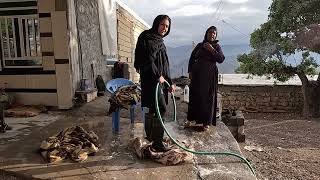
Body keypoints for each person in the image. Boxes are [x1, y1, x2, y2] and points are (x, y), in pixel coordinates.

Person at [134, 15, 175, 152]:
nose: (165, 28)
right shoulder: (147, 37)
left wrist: (170, 82)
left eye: (167, 26)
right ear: (156, 23)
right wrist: (158, 76)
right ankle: (157, 143)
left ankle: (151, 137)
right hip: (151, 80)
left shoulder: (159, 41)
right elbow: (147, 60)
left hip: (160, 81)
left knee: (153, 108)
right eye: (162, 25)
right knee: (160, 108)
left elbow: (164, 64)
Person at [186, 26, 225, 131]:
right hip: (197, 75)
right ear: (206, 33)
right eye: (210, 32)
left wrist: (212, 50)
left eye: (214, 33)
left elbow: (221, 59)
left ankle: (206, 122)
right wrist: (190, 71)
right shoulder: (199, 45)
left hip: (209, 76)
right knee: (195, 96)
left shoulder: (216, 46)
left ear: (216, 35)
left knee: (208, 98)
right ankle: (191, 119)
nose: (212, 34)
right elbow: (192, 58)